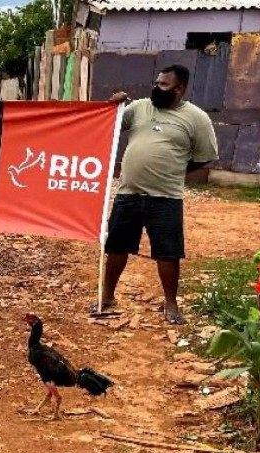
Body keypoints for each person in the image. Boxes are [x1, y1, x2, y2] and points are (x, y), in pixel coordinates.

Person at [99, 64, 217, 324]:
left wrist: (173, 169)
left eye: (163, 84)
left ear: (179, 89)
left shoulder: (196, 118)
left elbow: (205, 157)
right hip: (128, 193)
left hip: (166, 197)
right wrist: (113, 105)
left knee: (168, 252)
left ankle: (171, 304)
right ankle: (106, 297)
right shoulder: (140, 107)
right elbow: (109, 123)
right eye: (156, 82)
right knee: (117, 246)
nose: (156, 87)